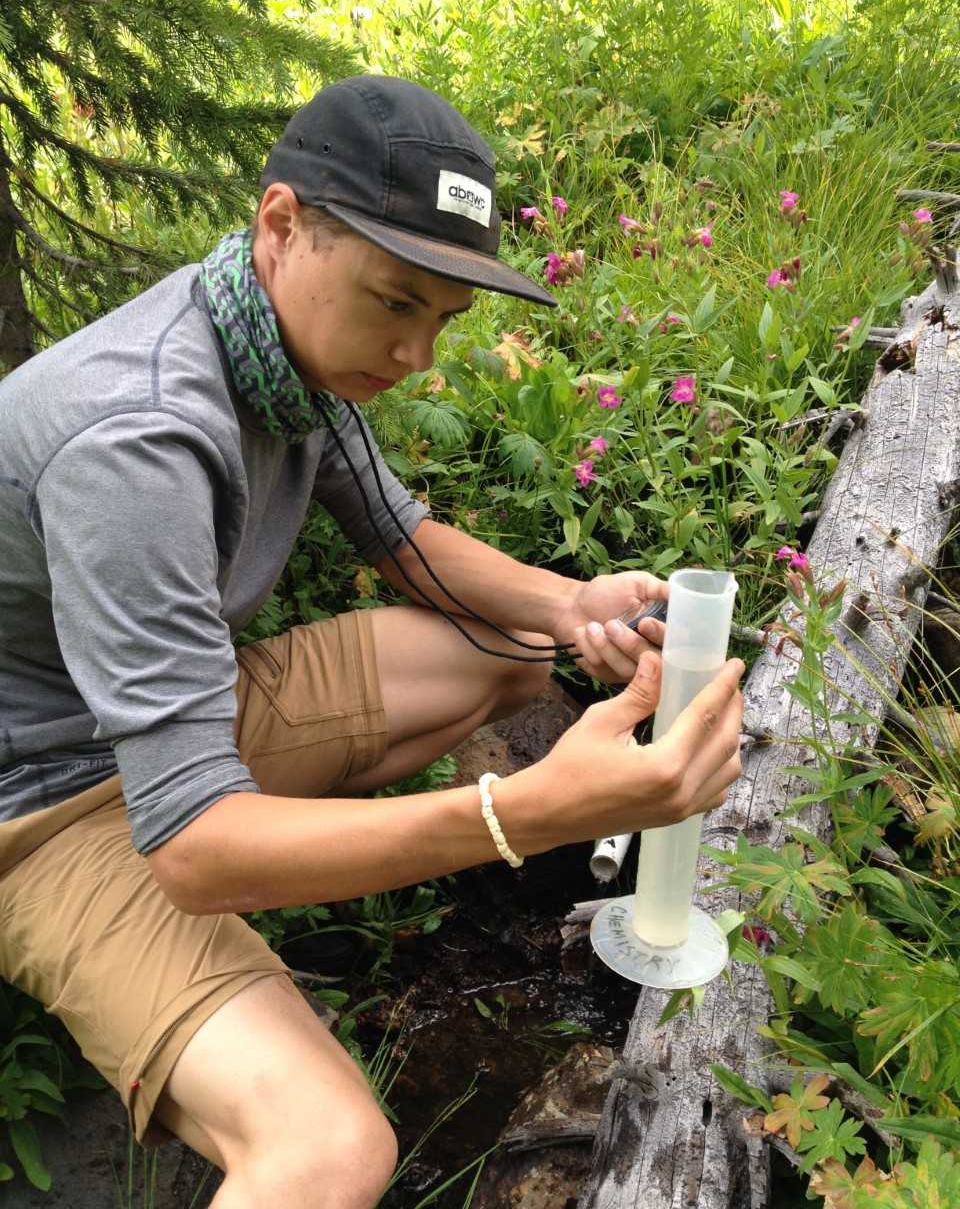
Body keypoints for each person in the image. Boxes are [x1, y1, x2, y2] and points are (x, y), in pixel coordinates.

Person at [0, 75, 744, 1209]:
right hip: (45, 807)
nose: (417, 358)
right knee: (331, 1152)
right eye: (397, 303)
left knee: (503, 647)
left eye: (443, 319)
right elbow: (194, 851)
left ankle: (310, 855)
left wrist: (572, 604)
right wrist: (527, 813)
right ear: (282, 224)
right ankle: (251, 908)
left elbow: (404, 537)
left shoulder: (278, 339)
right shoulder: (137, 439)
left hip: (165, 723)